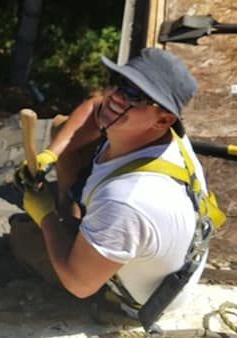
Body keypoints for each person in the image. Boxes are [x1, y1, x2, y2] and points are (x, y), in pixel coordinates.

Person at [11, 48, 225, 331]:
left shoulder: (128, 201)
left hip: (140, 299)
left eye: (135, 94)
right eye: (119, 82)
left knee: (23, 235)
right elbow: (94, 106)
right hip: (153, 254)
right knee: (64, 127)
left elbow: (80, 284)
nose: (117, 96)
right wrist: (50, 155)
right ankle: (75, 221)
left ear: (163, 118)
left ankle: (70, 228)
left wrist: (46, 217)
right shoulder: (164, 136)